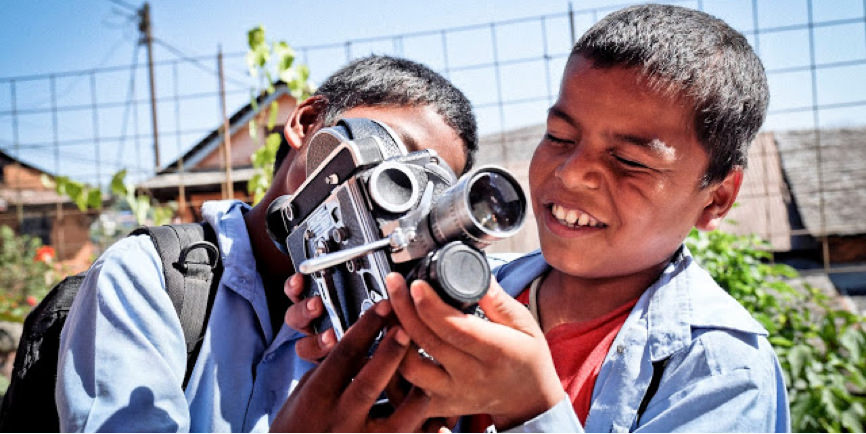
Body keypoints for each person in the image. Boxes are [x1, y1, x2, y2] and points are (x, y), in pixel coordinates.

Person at [379, 4, 790, 432]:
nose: (572, 172)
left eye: (630, 160)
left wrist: (531, 410)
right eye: (559, 136)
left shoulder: (721, 371)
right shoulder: (463, 288)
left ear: (716, 199)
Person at [55, 55, 478, 432]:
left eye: (428, 191)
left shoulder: (395, 329)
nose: (392, 199)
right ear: (308, 123)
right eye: (390, 162)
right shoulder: (151, 276)